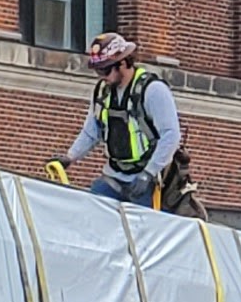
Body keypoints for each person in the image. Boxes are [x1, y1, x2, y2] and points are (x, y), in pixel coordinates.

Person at [57, 33, 201, 214]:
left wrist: (148, 174)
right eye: (98, 71)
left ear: (123, 63)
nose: (102, 77)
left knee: (141, 232)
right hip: (114, 176)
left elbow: (170, 135)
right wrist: (70, 157)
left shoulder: (152, 90)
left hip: (146, 180)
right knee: (93, 214)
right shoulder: (103, 92)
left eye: (105, 70)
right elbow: (91, 132)